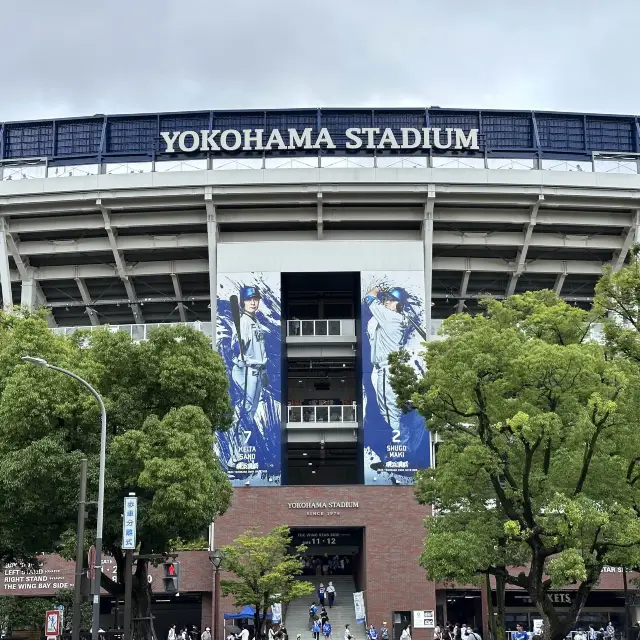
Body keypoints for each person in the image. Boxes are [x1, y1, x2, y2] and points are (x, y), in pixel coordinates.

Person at [363, 285, 410, 454]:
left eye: (390, 300)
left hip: (387, 369)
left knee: (389, 410)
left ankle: (397, 448)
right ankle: (398, 443)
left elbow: (368, 298)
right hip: (392, 368)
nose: (386, 302)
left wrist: (376, 289)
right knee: (392, 408)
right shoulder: (395, 318)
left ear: (397, 305)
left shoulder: (389, 316)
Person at [232, 285, 267, 422]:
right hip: (246, 370)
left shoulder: (256, 321)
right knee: (247, 405)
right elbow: (235, 348)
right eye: (249, 299)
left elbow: (260, 349)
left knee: (252, 408)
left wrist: (263, 372)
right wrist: (239, 347)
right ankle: (237, 433)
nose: (253, 302)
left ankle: (245, 436)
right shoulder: (243, 322)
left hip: (257, 370)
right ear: (243, 302)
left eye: (255, 299)